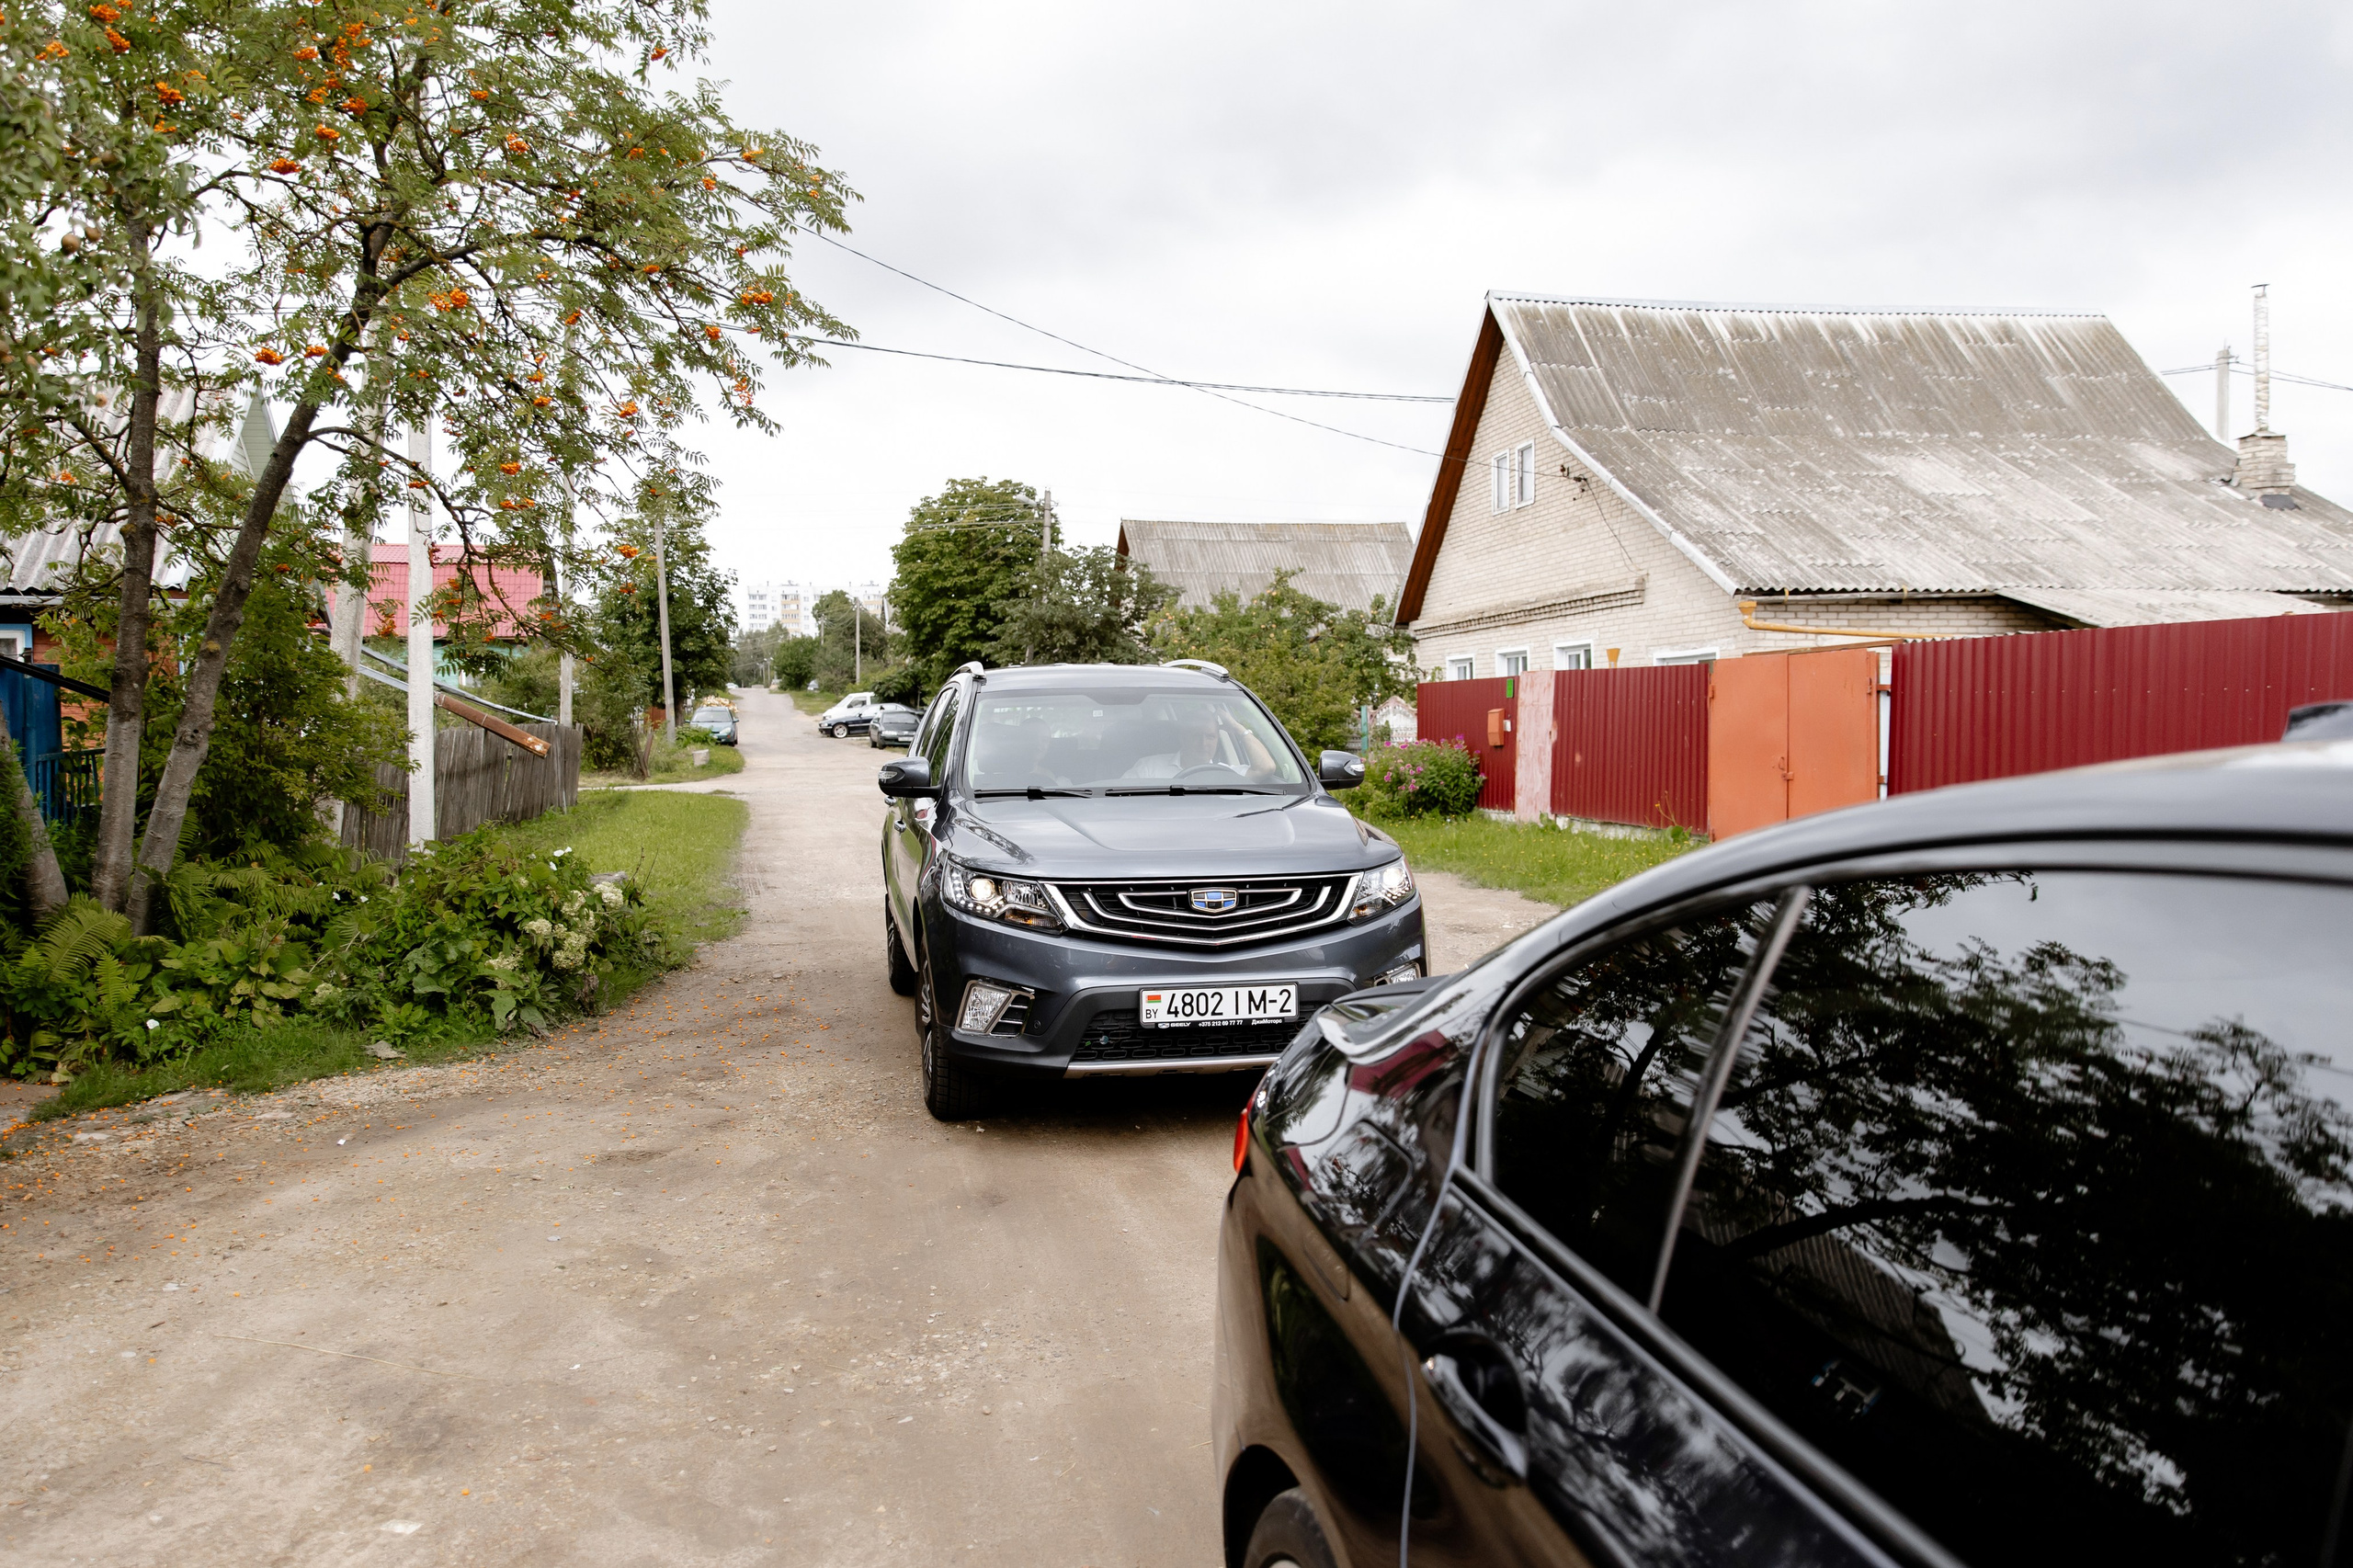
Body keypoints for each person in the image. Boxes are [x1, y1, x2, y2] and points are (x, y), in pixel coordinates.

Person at [1123, 704, 1279, 782]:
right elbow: (1120, 798)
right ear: (1182, 737)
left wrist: (1239, 729)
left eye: (1210, 737)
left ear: (1218, 739)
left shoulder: (1225, 775)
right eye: (1196, 736)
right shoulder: (1149, 768)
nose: (1203, 743)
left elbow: (1266, 768)